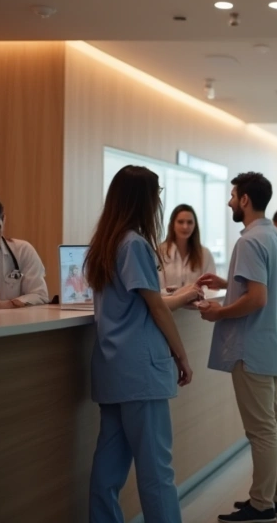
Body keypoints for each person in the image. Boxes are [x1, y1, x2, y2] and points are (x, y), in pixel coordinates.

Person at [86, 165, 202, 523]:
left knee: (108, 470)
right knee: (156, 471)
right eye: (157, 195)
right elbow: (155, 307)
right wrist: (181, 355)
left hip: (112, 369)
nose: (159, 203)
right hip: (140, 372)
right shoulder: (135, 243)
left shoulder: (106, 241)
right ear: (144, 199)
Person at [197, 172, 277, 522]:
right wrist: (229, 283)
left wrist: (218, 312)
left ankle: (262, 504)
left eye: (232, 195)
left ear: (244, 200)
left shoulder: (249, 241)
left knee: (261, 429)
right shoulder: (274, 237)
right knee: (274, 422)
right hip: (271, 344)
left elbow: (256, 298)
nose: (229, 202)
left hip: (251, 347)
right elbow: (259, 287)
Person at [0, 194, 49, 309]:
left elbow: (40, 295)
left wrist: (6, 304)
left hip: (15, 324)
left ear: (4, 220)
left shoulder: (22, 251)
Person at [158, 204, 217, 291]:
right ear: (172, 224)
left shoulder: (205, 254)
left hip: (197, 304)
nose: (185, 226)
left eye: (189, 222)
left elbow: (211, 288)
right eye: (180, 222)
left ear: (195, 225)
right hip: (168, 304)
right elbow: (156, 287)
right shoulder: (160, 252)